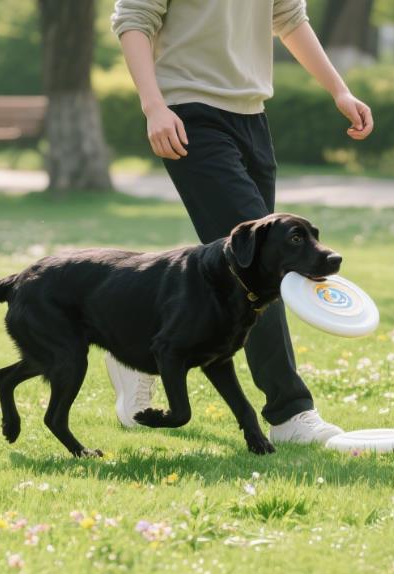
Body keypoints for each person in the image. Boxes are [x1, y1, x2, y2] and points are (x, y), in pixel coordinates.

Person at [108, 0, 373, 445]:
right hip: (188, 114)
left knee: (241, 270)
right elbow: (133, 19)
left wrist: (339, 90)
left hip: (253, 117)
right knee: (265, 267)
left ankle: (133, 335)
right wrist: (154, 106)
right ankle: (290, 413)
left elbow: (289, 18)